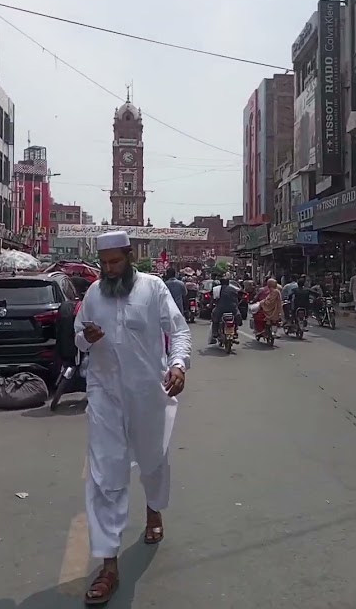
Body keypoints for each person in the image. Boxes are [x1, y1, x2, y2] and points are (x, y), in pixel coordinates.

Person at [74, 230, 191, 604]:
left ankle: (154, 510)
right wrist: (86, 336)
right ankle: (108, 568)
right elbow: (77, 336)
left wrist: (178, 365)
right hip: (105, 395)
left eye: (115, 262)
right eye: (104, 264)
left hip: (148, 394)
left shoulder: (154, 288)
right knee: (105, 474)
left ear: (129, 256)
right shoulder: (93, 294)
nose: (109, 270)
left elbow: (178, 330)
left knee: (154, 461)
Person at [210, 275, 241, 344]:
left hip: (221, 308)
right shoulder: (233, 289)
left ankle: (215, 332)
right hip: (232, 308)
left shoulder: (216, 289)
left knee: (215, 317)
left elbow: (213, 299)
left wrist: (210, 305)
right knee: (237, 316)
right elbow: (237, 299)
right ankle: (235, 330)